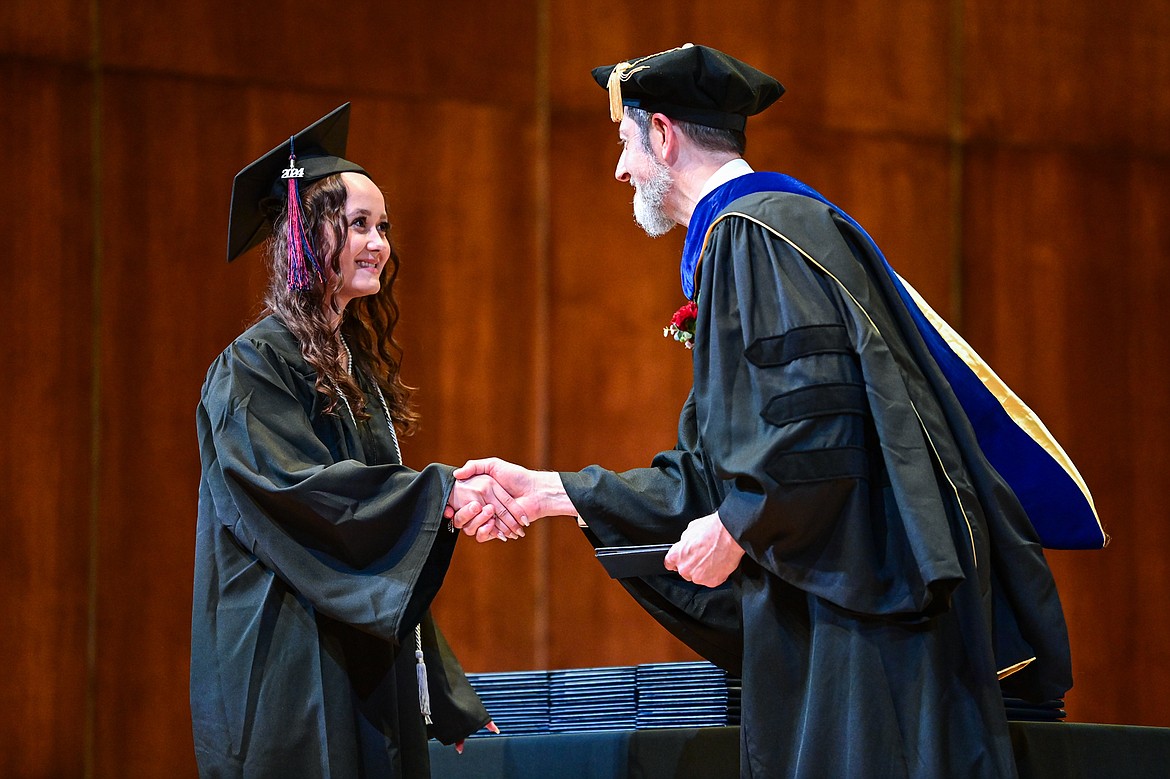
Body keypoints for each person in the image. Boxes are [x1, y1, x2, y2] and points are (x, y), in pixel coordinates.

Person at [448, 44, 1106, 778]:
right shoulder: (774, 231)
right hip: (849, 611)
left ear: (662, 134)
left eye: (625, 143)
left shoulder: (753, 235)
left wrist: (739, 524)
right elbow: (716, 471)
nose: (621, 169)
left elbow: (816, 433)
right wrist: (552, 493)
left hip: (868, 628)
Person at [192, 103, 526, 778]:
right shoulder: (252, 368)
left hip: (358, 658)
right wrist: (444, 491)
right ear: (305, 237)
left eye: (384, 228)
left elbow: (381, 547)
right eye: (359, 225)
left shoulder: (353, 367)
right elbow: (307, 499)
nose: (379, 244)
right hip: (286, 654)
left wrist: (448, 694)